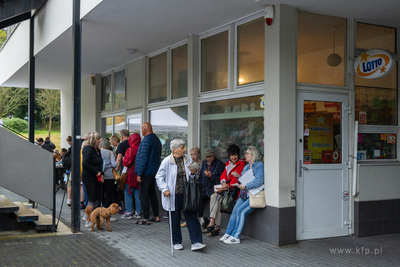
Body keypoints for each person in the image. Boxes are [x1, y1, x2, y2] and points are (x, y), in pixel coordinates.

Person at [155, 139, 206, 251]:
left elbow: (191, 178)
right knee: (175, 217)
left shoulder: (187, 159)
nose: (184, 149)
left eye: (184, 147)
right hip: (173, 194)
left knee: (191, 216)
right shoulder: (167, 161)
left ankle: (196, 241)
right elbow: (159, 177)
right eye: (182, 148)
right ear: (174, 149)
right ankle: (176, 241)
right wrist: (164, 189)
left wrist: (193, 174)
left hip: (187, 193)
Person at [220, 146, 264, 244]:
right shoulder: (246, 166)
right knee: (234, 212)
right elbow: (244, 179)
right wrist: (239, 177)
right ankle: (228, 233)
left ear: (253, 155)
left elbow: (259, 180)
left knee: (241, 212)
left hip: (252, 195)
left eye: (247, 153)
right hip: (244, 194)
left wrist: (246, 185)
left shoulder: (259, 165)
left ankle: (236, 236)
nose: (245, 155)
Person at [207, 144, 245, 236]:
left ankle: (214, 225)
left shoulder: (241, 164)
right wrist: (223, 182)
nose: (234, 157)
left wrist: (224, 187)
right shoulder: (228, 164)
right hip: (226, 189)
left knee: (217, 198)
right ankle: (213, 222)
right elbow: (223, 174)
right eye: (232, 155)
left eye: (235, 155)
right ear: (229, 156)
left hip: (234, 190)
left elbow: (236, 180)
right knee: (214, 196)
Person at [135, 122, 161, 225]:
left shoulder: (146, 140)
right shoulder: (157, 140)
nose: (141, 132)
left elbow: (143, 158)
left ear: (145, 130)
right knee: (152, 194)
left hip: (145, 172)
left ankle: (145, 217)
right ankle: (156, 215)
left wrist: (139, 173)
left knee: (143, 195)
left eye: (142, 130)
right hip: (154, 171)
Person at [195, 148, 224, 231]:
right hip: (204, 188)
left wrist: (211, 176)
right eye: (207, 157)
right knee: (197, 197)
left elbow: (220, 180)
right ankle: (199, 220)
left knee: (202, 198)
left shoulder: (220, 164)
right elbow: (200, 177)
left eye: (211, 156)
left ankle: (204, 221)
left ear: (214, 155)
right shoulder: (204, 163)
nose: (209, 158)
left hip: (213, 189)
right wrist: (198, 186)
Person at [82, 132, 104, 227]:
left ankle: (95, 218)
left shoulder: (97, 150)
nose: (100, 140)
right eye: (98, 139)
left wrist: (101, 174)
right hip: (89, 177)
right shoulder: (89, 150)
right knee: (92, 198)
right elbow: (85, 164)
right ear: (93, 140)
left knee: (97, 198)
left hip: (97, 177)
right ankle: (88, 219)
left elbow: (99, 164)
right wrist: (96, 172)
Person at [180, 147, 202, 227]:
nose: (193, 156)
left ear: (198, 154)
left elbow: (200, 176)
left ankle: (194, 219)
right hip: (191, 184)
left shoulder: (201, 164)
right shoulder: (191, 163)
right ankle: (187, 219)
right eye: (192, 155)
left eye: (194, 154)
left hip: (197, 185)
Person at [121, 133, 141, 219]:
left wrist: (123, 172)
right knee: (137, 194)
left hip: (130, 173)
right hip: (139, 172)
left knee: (128, 193)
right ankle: (138, 212)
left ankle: (129, 212)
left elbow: (127, 162)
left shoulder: (130, 149)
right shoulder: (141, 148)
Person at [99, 139, 117, 208]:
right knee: (109, 194)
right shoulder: (110, 152)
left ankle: (100, 208)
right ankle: (107, 210)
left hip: (100, 176)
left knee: (100, 193)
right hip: (109, 176)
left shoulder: (98, 152)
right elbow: (114, 164)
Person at [115, 129, 130, 212]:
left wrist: (116, 169)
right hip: (133, 169)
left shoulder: (121, 145)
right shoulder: (133, 144)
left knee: (123, 188)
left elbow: (119, 159)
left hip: (124, 169)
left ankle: (125, 207)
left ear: (122, 136)